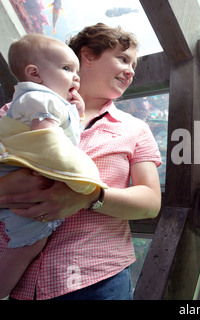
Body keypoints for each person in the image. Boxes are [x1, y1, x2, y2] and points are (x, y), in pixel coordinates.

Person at [0, 23, 161, 300]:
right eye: (123, 58)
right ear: (87, 56)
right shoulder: (11, 111)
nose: (131, 70)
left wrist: (89, 197)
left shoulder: (135, 129)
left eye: (133, 64)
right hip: (20, 284)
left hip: (97, 281)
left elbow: (150, 203)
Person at [0, 34, 107, 300]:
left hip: (26, 179)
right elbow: (48, 140)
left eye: (77, 72)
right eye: (67, 69)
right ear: (34, 73)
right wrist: (81, 178)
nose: (76, 77)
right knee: (27, 244)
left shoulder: (46, 101)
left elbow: (61, 135)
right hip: (19, 176)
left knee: (30, 241)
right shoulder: (38, 99)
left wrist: (75, 114)